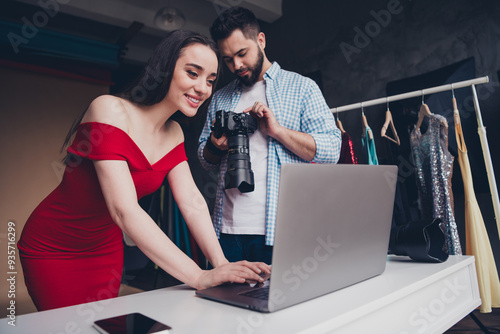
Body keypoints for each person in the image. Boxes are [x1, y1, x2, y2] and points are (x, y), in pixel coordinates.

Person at [18, 30, 270, 312]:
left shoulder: (174, 132)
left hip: (105, 247)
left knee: (98, 326)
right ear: (164, 69)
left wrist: (222, 264)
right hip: (54, 246)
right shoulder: (109, 109)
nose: (203, 88)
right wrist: (198, 275)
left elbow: (193, 202)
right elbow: (124, 211)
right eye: (192, 73)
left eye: (210, 80)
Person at [198, 7, 341, 264]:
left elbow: (332, 150)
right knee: (223, 304)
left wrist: (278, 131)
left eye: (242, 53)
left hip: (282, 232)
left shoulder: (302, 88)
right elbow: (205, 159)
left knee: (285, 304)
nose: (236, 65)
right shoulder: (219, 98)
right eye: (228, 59)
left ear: (260, 40)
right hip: (226, 233)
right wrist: (215, 145)